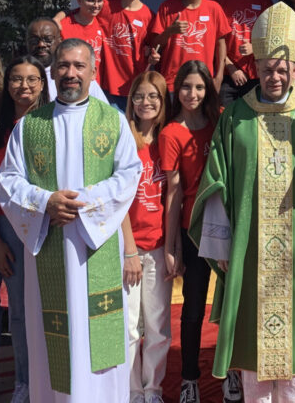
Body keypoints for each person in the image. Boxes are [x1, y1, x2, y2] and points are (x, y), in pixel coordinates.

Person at [189, 1, 295, 402]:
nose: (275, 75)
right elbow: (218, 181)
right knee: (255, 364)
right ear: (256, 68)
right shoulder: (236, 117)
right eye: (268, 68)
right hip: (250, 251)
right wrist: (221, 245)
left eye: (283, 69)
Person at [0, 38, 142, 403]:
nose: (71, 73)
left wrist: (84, 203)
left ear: (93, 72)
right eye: (63, 66)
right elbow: (8, 181)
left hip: (97, 245)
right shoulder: (30, 126)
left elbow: (129, 174)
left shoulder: (113, 120)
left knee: (98, 342)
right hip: (49, 247)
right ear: (52, 72)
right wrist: (45, 201)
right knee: (54, 345)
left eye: (79, 66)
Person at [0, 56, 49, 403]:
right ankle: (24, 380)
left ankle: (52, 378)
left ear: (43, 84)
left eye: (32, 79)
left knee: (52, 307)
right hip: (9, 229)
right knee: (18, 310)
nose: (25, 86)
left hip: (51, 227)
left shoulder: (57, 126)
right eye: (17, 79)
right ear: (7, 85)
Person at [159, 61, 222, 403]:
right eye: (186, 87)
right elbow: (172, 193)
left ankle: (231, 371)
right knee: (194, 308)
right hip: (193, 230)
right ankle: (189, 379)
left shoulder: (220, 121)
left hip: (226, 226)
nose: (192, 94)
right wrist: (173, 247)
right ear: (177, 90)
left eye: (199, 87)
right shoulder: (171, 132)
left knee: (229, 304)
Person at [122, 71, 172, 403]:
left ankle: (152, 389)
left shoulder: (169, 139)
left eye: (153, 96)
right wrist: (129, 251)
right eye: (139, 96)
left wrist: (171, 247)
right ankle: (131, 391)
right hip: (128, 248)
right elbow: (117, 200)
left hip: (158, 246)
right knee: (128, 327)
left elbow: (175, 198)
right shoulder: (122, 139)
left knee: (157, 326)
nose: (146, 102)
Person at [147, 0, 231, 92]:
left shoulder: (214, 8)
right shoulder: (167, 7)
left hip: (203, 82)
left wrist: (219, 77)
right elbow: (155, 45)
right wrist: (170, 31)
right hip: (172, 82)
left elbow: (221, 45)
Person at [92, 0, 159, 112]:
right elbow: (79, 13)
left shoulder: (149, 16)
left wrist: (153, 56)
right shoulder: (105, 7)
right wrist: (59, 18)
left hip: (134, 86)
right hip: (106, 86)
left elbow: (153, 47)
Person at [214, 0, 274, 106]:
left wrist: (255, 48)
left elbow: (273, 39)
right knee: (226, 121)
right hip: (226, 74)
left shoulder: (265, 2)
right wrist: (231, 67)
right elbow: (213, 40)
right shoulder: (218, 1)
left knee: (252, 122)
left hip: (256, 74)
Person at [25, 17, 109, 103]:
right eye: (34, 40)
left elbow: (104, 112)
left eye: (48, 40)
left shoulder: (78, 76)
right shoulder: (16, 73)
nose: (41, 44)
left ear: (59, 40)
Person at [56, 0, 106, 77]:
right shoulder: (62, 25)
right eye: (91, 0)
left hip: (95, 86)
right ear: (79, 0)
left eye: (99, 1)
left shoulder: (104, 21)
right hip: (70, 83)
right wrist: (57, 18)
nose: (96, 5)